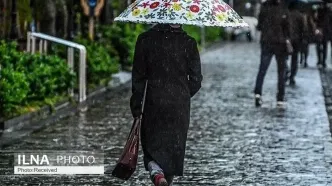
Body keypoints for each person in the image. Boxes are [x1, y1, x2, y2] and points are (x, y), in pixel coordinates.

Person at [130, 24, 203, 186]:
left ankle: (156, 172)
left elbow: (138, 77)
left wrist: (136, 105)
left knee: (151, 145)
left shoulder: (145, 40)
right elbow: (197, 80)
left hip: (153, 101)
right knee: (172, 149)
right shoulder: (189, 43)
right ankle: (163, 178)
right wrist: (182, 95)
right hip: (179, 106)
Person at [254, 0, 291, 107]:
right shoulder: (283, 8)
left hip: (266, 41)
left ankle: (258, 93)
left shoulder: (264, 7)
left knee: (262, 69)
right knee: (281, 71)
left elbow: (259, 26)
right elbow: (287, 28)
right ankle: (280, 97)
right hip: (280, 43)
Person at [288, 2, 305, 85]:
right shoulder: (300, 16)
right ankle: (292, 76)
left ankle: (286, 72)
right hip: (296, 40)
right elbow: (303, 29)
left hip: (287, 39)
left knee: (284, 58)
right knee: (294, 59)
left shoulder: (287, 14)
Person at [314, 4, 329, 68]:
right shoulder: (327, 11)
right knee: (323, 46)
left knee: (320, 46)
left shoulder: (319, 10)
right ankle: (322, 61)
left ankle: (321, 60)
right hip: (323, 30)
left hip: (320, 30)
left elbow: (315, 20)